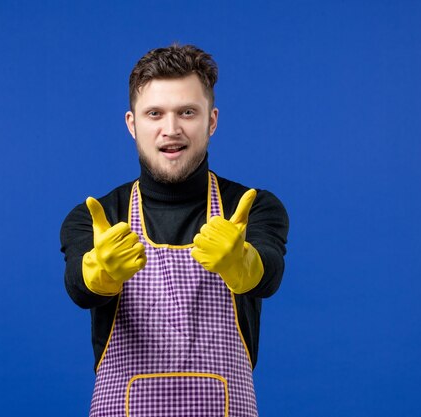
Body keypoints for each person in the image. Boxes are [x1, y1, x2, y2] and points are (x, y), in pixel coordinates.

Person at [60, 43, 289, 417]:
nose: (171, 129)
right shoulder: (99, 215)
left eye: (187, 112)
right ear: (132, 124)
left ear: (211, 121)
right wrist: (98, 273)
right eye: (155, 113)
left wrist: (243, 264)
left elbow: (269, 273)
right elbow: (78, 288)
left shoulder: (249, 207)